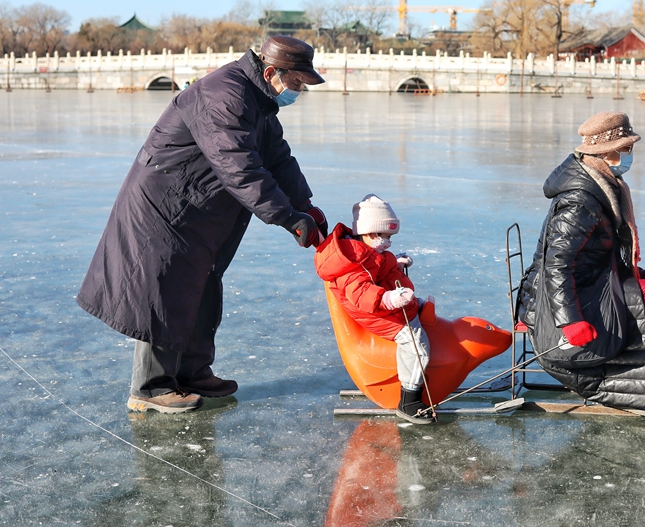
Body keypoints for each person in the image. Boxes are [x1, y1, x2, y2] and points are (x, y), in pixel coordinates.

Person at [77, 36, 328, 414]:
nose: (298, 92)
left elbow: (276, 157)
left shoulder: (258, 100)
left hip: (199, 207)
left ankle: (193, 372)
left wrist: (305, 204)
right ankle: (150, 388)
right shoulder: (224, 95)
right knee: (165, 288)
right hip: (166, 204)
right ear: (273, 72)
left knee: (203, 286)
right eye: (297, 84)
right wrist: (288, 217)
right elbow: (239, 166)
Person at [516, 111, 645, 413]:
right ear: (607, 152)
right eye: (627, 149)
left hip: (593, 276)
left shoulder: (603, 183)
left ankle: (638, 372)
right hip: (561, 296)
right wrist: (570, 321)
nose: (630, 155)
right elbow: (557, 266)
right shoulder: (582, 201)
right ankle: (626, 376)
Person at [314, 194, 436, 424]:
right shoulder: (353, 262)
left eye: (390, 237)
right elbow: (360, 292)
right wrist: (389, 299)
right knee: (416, 342)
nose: (388, 243)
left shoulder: (368, 252)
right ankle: (409, 399)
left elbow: (379, 267)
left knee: (420, 309)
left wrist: (395, 262)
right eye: (385, 237)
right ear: (369, 233)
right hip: (373, 312)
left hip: (382, 303)